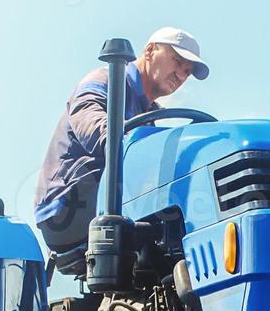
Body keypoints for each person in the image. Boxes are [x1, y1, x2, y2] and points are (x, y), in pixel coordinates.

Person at [34, 27, 210, 252]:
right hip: (69, 205)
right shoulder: (104, 81)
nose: (181, 75)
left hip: (119, 203)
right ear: (149, 51)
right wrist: (132, 146)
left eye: (187, 71)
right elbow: (91, 123)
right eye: (177, 61)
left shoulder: (150, 116)